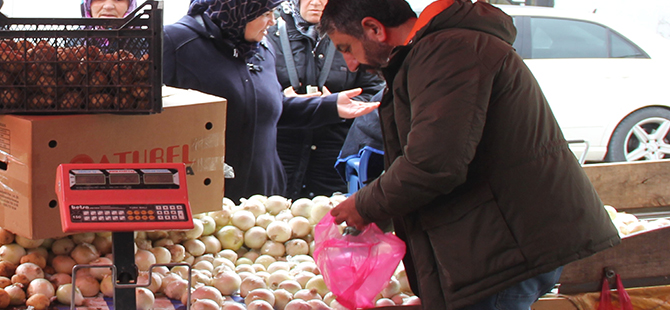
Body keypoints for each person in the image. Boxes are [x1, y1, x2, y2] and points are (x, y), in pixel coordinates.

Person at [320, 0, 621, 309]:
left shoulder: (446, 51)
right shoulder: (437, 50)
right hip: (500, 237)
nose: (351, 64)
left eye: (347, 48)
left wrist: (367, 205)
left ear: (374, 29)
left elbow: (434, 163)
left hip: (506, 244)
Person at [162, 0, 379, 203]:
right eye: (265, 13)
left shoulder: (261, 48)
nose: (273, 21)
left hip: (262, 195)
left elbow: (268, 109)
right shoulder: (176, 42)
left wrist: (330, 106)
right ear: (240, 9)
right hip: (200, 192)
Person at [266, 0, 385, 199]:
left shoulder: (354, 37)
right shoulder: (269, 34)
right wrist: (280, 98)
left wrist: (340, 105)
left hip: (332, 153)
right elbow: (254, 89)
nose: (315, 2)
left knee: (327, 218)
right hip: (280, 151)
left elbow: (375, 91)